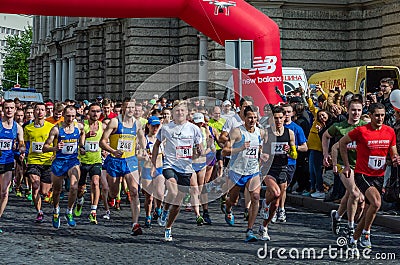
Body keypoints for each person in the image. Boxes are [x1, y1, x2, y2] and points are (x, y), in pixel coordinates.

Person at [339, 103, 399, 249]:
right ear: (370, 115)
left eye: (382, 115)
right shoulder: (361, 131)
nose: (380, 118)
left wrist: (396, 158)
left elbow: (393, 152)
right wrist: (346, 165)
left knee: (369, 209)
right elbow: (342, 143)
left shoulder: (389, 131)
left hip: (379, 175)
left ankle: (354, 239)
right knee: (377, 203)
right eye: (377, 115)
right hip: (363, 174)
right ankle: (366, 232)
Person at [151, 100, 203, 241]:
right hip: (170, 165)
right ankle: (164, 210)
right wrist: (153, 163)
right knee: (173, 191)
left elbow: (199, 150)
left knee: (178, 203)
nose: (180, 113)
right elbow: (156, 145)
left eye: (182, 110)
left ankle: (168, 227)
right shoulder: (166, 128)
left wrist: (199, 151)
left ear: (187, 113)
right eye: (177, 111)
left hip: (186, 168)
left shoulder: (194, 129)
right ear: (173, 113)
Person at [100, 98, 146, 236]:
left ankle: (135, 223)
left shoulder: (137, 123)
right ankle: (111, 198)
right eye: (127, 107)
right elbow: (102, 142)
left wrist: (143, 148)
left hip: (130, 160)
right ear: (123, 109)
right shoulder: (115, 122)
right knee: (114, 192)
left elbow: (141, 137)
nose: (130, 110)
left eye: (132, 107)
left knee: (134, 191)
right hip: (114, 160)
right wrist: (113, 151)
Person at [322, 98, 366, 240]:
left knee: (351, 195)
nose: (356, 113)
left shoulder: (365, 126)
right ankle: (350, 226)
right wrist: (326, 154)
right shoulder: (339, 126)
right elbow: (325, 136)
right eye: (353, 110)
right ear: (347, 110)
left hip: (360, 165)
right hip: (344, 165)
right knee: (354, 193)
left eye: (359, 110)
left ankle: (337, 215)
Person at [222, 105, 263, 242]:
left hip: (253, 171)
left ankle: (250, 230)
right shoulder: (237, 132)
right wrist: (240, 148)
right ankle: (227, 209)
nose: (252, 120)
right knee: (233, 200)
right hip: (237, 171)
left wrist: (263, 155)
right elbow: (225, 151)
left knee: (256, 197)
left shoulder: (260, 132)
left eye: (255, 117)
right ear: (244, 118)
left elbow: (261, 148)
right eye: (250, 117)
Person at [42, 105, 86, 229]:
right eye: (68, 116)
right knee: (57, 191)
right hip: (59, 162)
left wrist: (82, 146)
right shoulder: (56, 129)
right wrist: (54, 148)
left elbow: (83, 133)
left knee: (74, 187)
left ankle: (69, 212)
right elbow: (45, 148)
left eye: (73, 116)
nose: (70, 118)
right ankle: (56, 211)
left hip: (73, 161)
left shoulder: (79, 127)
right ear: (63, 115)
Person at [259, 106, 297, 241]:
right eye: (276, 118)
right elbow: (258, 148)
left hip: (282, 168)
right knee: (276, 193)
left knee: (276, 203)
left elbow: (294, 154)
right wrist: (261, 155)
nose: (279, 120)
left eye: (281, 117)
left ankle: (264, 227)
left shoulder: (290, 133)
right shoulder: (265, 132)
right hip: (268, 169)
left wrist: (290, 150)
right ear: (271, 119)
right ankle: (265, 203)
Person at [24, 102, 55, 223]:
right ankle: (39, 212)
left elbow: (56, 142)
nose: (40, 112)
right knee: (35, 186)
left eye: (42, 110)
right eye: (37, 110)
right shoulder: (28, 128)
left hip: (47, 161)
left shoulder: (51, 127)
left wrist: (54, 154)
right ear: (34, 112)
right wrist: (23, 152)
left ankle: (49, 192)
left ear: (45, 112)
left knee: (44, 191)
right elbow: (26, 143)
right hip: (33, 161)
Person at [75, 103, 105, 224]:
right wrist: (82, 145)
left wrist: (106, 150)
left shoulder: (102, 126)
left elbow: (104, 140)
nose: (95, 113)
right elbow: (79, 138)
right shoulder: (83, 126)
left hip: (96, 160)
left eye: (98, 111)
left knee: (95, 183)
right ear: (88, 113)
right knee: (81, 188)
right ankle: (79, 201)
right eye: (93, 111)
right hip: (83, 160)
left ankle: (93, 211)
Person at [0, 100, 25, 233]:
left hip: (8, 162)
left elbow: (22, 144)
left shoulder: (18, 128)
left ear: (15, 110)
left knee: (4, 192)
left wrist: (21, 149)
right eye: (6, 108)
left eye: (11, 108)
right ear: (3, 109)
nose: (9, 110)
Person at [140, 116, 165, 228]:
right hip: (146, 170)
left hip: (159, 169)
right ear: (148, 126)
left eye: (157, 126)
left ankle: (158, 208)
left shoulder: (162, 139)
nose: (155, 128)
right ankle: (148, 216)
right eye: (153, 126)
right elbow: (137, 155)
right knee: (149, 197)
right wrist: (143, 157)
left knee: (160, 193)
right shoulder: (144, 139)